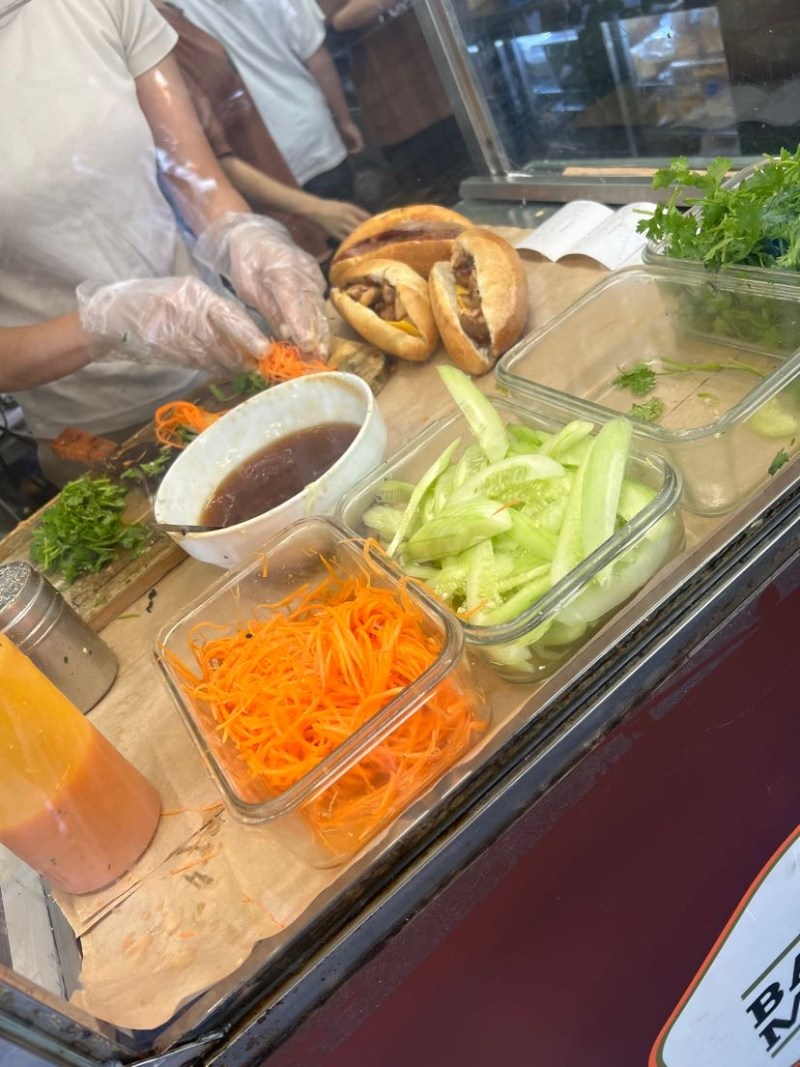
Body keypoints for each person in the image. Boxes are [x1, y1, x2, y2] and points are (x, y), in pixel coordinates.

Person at [0, 0, 329, 486]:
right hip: (102, 435)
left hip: (225, 370)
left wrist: (242, 235)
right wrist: (105, 321)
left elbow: (194, 175)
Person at [156, 1, 369, 258]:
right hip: (306, 139)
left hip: (263, 164)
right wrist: (343, 118)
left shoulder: (175, 17)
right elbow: (317, 56)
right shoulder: (165, 24)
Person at [177, 0, 364, 203]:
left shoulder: (176, 10)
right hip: (313, 138)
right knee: (357, 227)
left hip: (257, 164)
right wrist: (344, 120)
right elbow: (317, 59)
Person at [322, 0, 473, 202]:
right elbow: (338, 20)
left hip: (448, 80)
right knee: (434, 203)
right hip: (398, 107)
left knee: (480, 183)